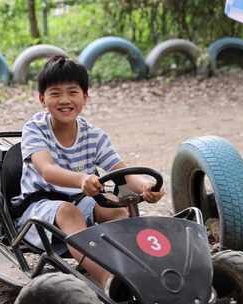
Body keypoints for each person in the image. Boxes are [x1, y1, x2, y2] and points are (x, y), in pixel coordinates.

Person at [13, 55, 165, 288]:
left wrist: (146, 186)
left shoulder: (93, 135)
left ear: (85, 97)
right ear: (42, 99)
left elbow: (121, 172)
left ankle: (138, 266)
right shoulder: (35, 129)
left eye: (72, 92)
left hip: (77, 199)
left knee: (116, 206)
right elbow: (48, 170)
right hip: (37, 207)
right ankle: (109, 280)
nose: (64, 100)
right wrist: (82, 179)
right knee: (68, 212)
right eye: (55, 93)